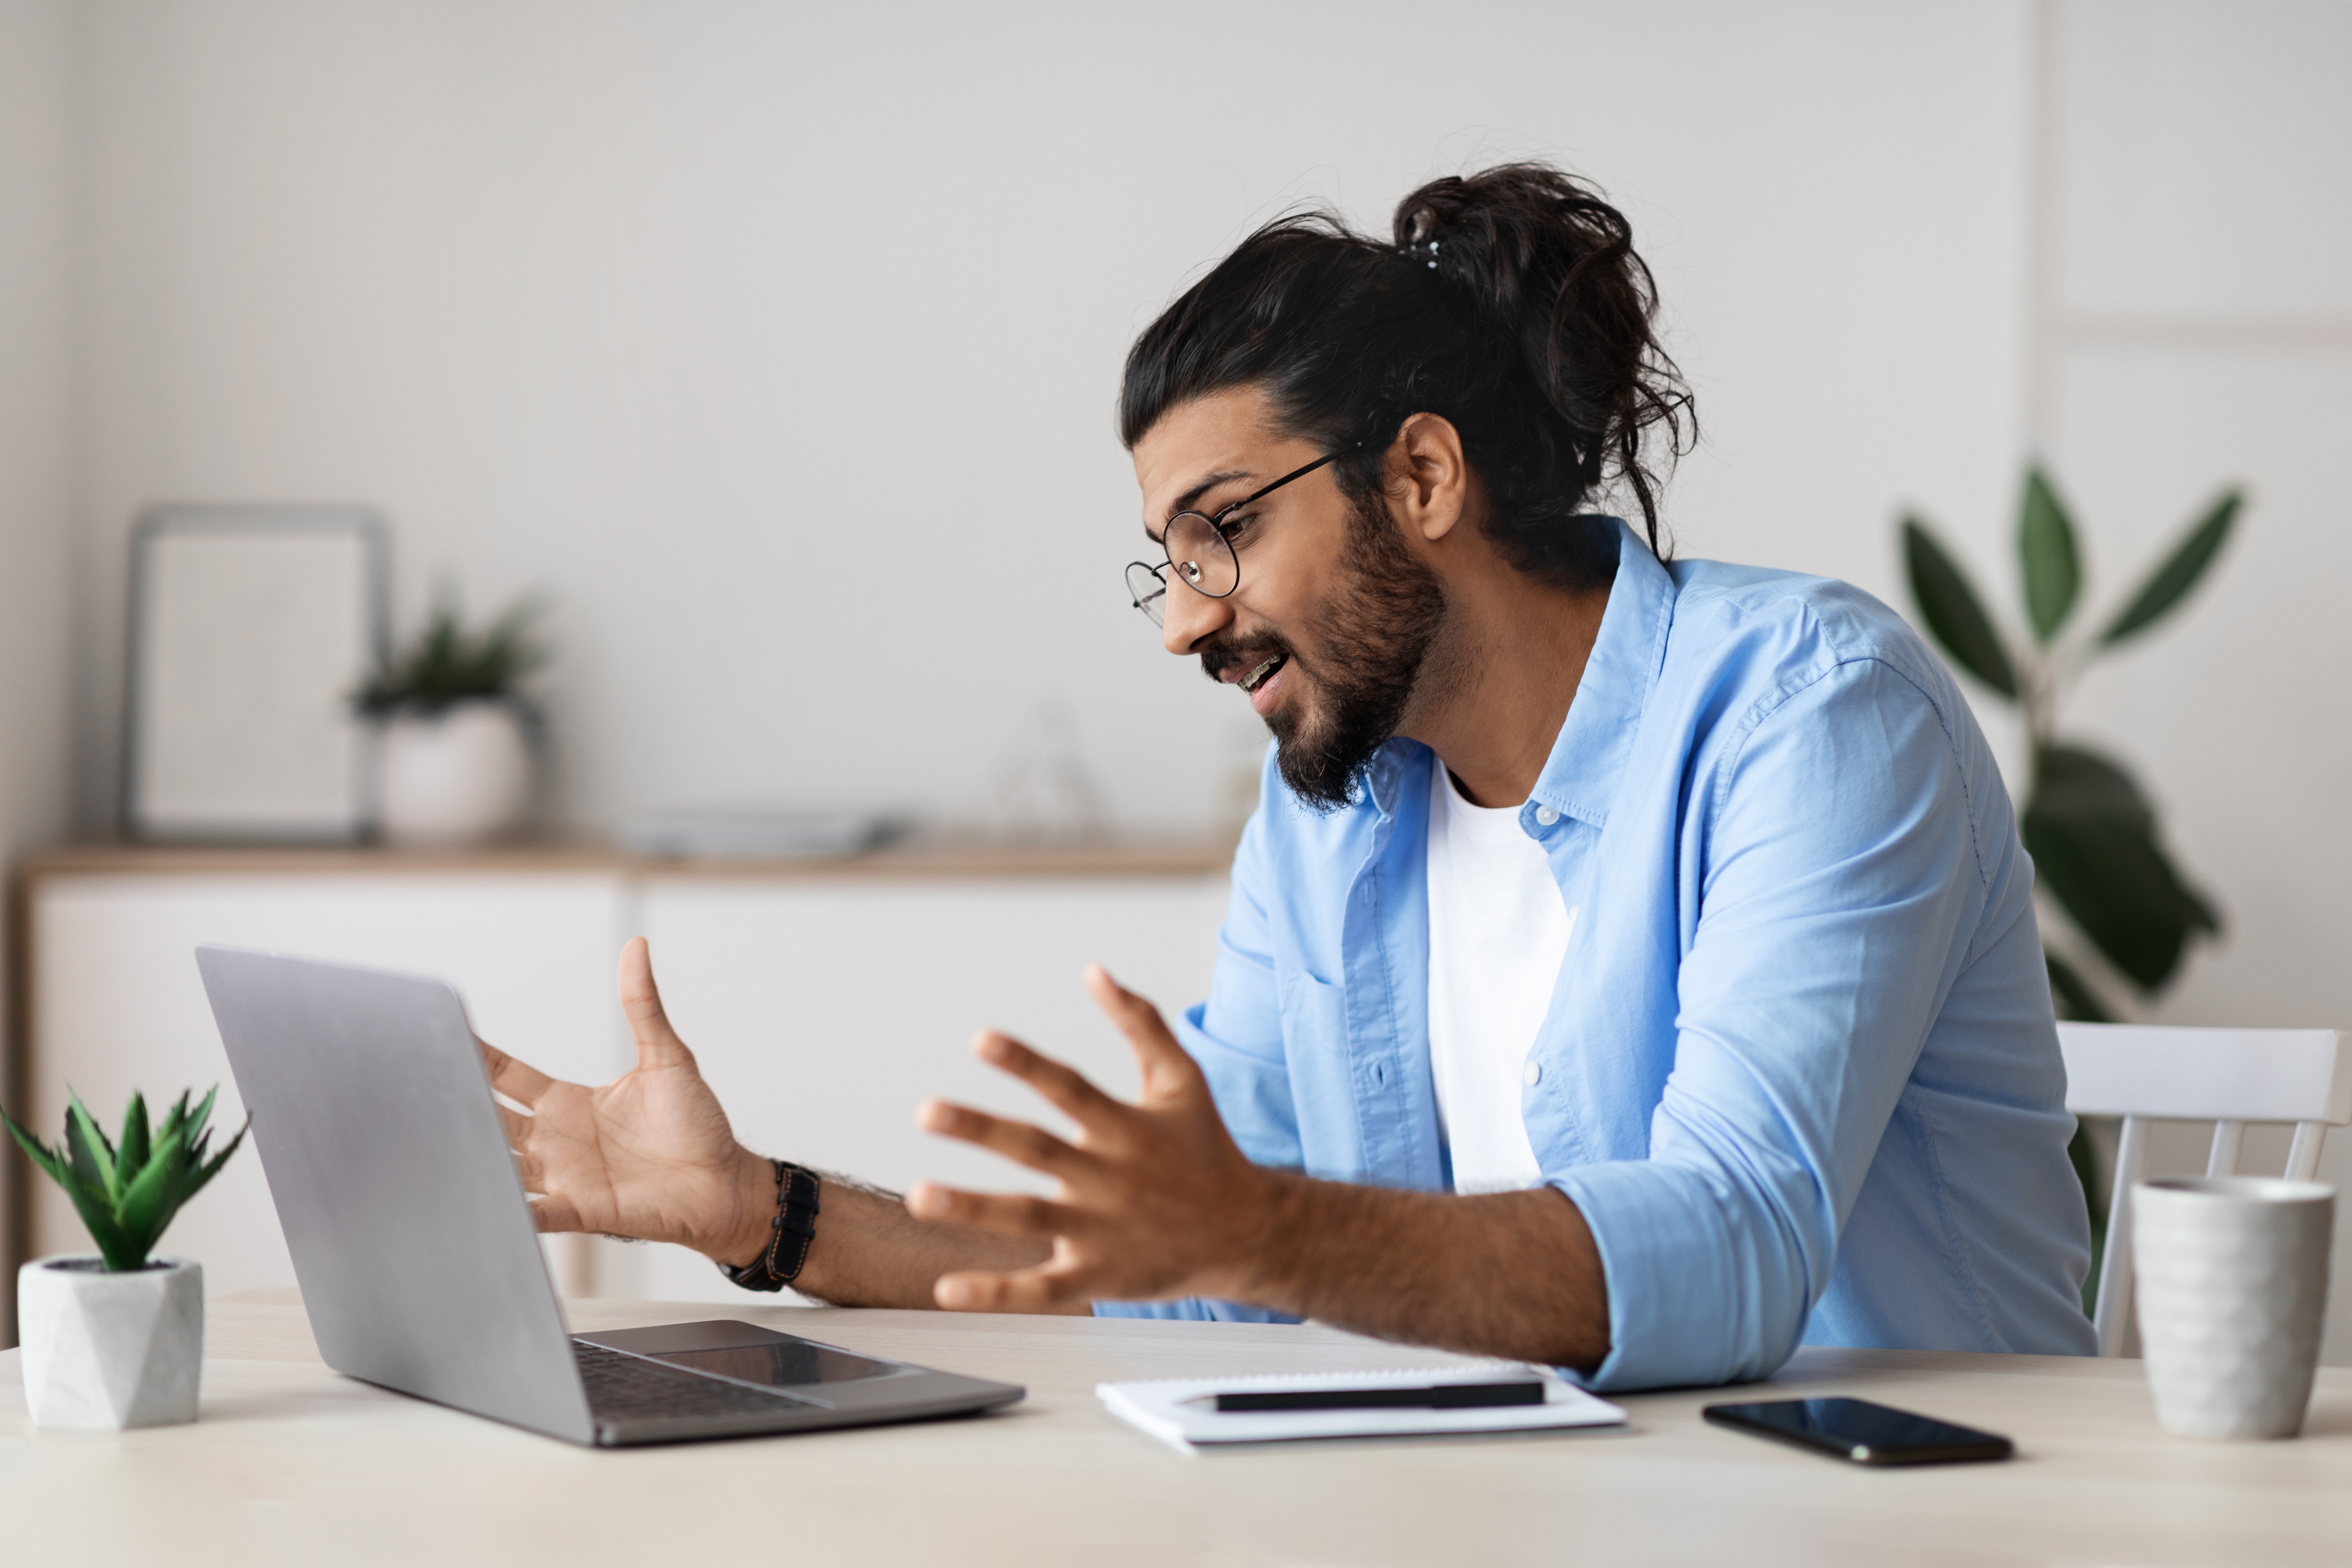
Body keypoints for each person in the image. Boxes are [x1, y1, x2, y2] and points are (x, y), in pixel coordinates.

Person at [485, 163, 2096, 1391]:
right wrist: (763, 1213)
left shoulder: (1812, 717)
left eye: (1226, 532)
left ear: (1419, 475)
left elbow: (1736, 1244)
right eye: (1164, 562)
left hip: (1920, 1514)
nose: (1187, 619)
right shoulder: (1337, 808)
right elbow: (1182, 1260)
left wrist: (1260, 1229)